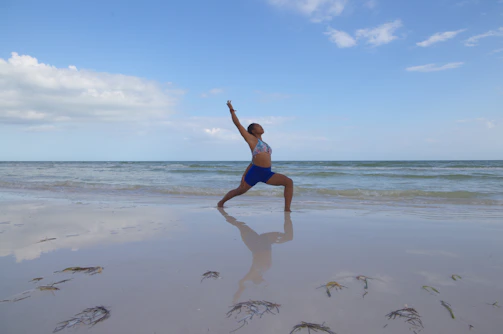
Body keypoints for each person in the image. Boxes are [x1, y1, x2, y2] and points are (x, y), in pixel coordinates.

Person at [217, 100, 293, 212]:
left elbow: (253, 160)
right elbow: (238, 125)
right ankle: (221, 202)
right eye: (258, 126)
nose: (261, 127)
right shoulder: (251, 139)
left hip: (266, 173)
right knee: (239, 191)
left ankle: (287, 209)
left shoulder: (264, 144)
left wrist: (244, 174)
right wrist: (231, 110)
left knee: (288, 182)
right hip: (256, 172)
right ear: (253, 131)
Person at [217, 208, 293, 303]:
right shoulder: (263, 271)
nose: (263, 279)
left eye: (260, 280)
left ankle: (223, 212)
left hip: (259, 244)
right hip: (262, 243)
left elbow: (242, 282)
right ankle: (223, 212)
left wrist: (238, 294)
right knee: (240, 225)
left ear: (256, 279)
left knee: (240, 225)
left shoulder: (256, 272)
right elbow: (250, 282)